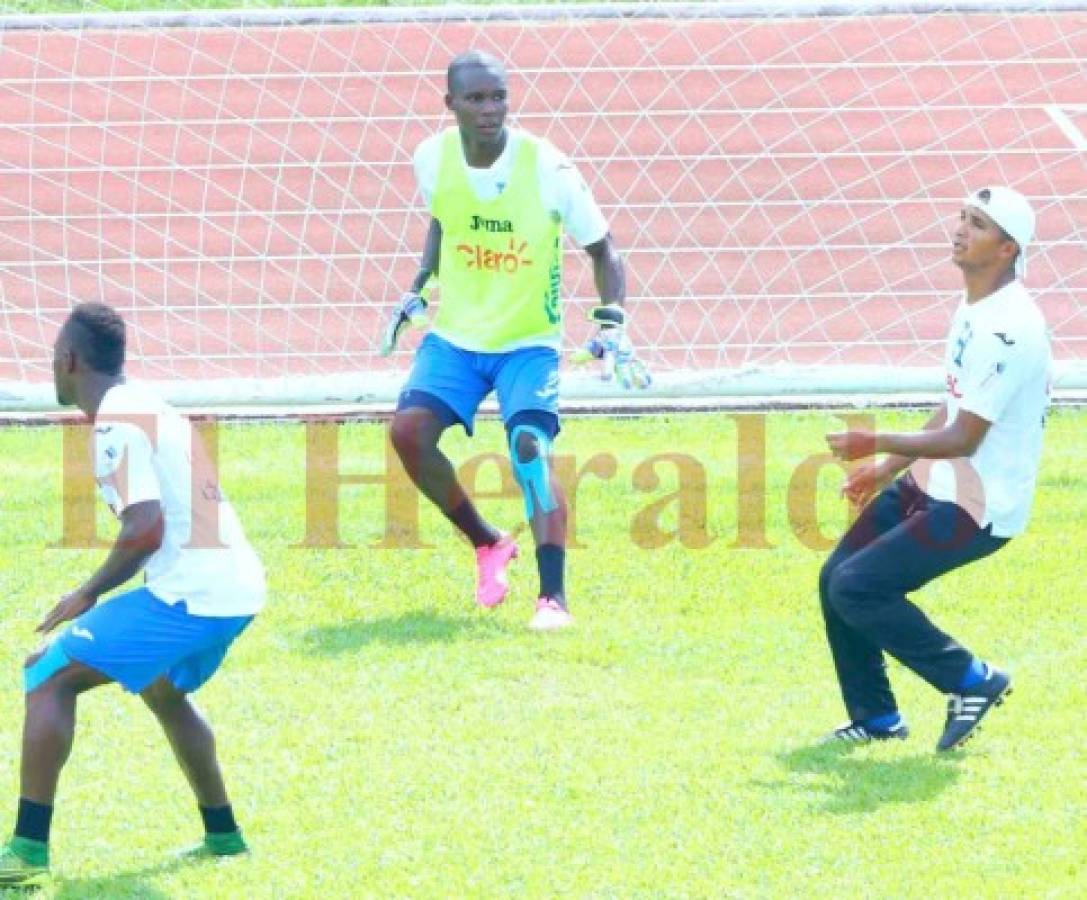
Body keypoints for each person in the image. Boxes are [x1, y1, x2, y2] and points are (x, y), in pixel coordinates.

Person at [0, 303, 267, 887]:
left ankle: (23, 858)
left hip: (193, 597)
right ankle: (223, 835)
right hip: (233, 590)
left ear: (68, 360)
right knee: (162, 687)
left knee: (46, 675)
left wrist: (86, 593)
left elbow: (146, 529)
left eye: (53, 357)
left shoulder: (118, 419)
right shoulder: (146, 405)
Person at [381, 51, 645, 631]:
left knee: (528, 444)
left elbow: (603, 249)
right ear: (450, 104)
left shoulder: (546, 166)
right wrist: (420, 285)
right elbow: (444, 220)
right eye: (476, 98)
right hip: (456, 337)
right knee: (407, 434)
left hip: (527, 341)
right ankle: (487, 542)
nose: (490, 108)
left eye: (498, 96)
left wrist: (612, 320)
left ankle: (553, 598)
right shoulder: (431, 158)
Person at [820, 186, 1049, 751]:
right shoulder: (975, 304)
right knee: (836, 580)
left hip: (978, 505)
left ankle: (972, 679)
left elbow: (965, 436)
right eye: (963, 218)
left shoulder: (1009, 329)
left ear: (1007, 248)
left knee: (859, 587)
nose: (961, 229)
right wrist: (887, 467)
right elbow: (953, 404)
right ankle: (876, 719)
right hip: (935, 483)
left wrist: (873, 439)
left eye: (978, 224)